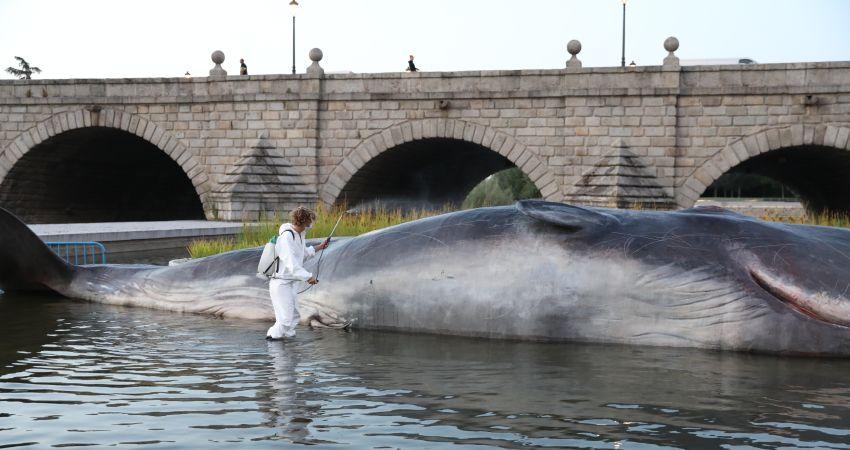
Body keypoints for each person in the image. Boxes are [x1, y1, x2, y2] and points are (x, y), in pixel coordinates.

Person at [266, 206, 328, 340]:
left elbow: (303, 253)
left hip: (290, 282)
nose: (311, 224)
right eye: (310, 221)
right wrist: (308, 277)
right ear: (304, 221)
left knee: (294, 316)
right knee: (285, 319)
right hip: (281, 283)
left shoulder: (299, 234)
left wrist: (320, 247)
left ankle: (288, 343)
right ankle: (273, 342)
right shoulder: (287, 237)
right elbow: (292, 264)